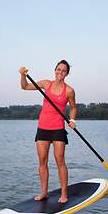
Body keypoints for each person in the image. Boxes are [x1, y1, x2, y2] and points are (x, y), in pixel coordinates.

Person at [19, 60, 77, 203]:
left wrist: (72, 120)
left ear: (67, 74)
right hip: (43, 127)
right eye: (58, 69)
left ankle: (64, 194)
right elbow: (24, 86)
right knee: (42, 161)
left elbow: (74, 107)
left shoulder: (69, 90)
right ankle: (44, 192)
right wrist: (23, 75)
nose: (60, 72)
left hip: (58, 128)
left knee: (60, 161)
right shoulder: (46, 84)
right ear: (54, 70)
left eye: (63, 71)